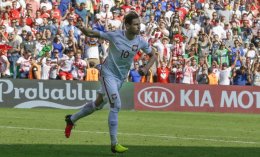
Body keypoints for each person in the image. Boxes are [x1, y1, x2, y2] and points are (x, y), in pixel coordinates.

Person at [64, 11, 157, 153]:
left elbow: (153, 55)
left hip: (120, 78)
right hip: (108, 74)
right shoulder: (115, 35)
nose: (139, 27)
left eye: (139, 24)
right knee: (116, 105)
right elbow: (93, 34)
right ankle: (114, 144)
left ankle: (71, 119)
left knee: (97, 104)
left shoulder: (140, 41)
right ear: (127, 25)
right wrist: (82, 28)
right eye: (135, 24)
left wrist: (146, 67)